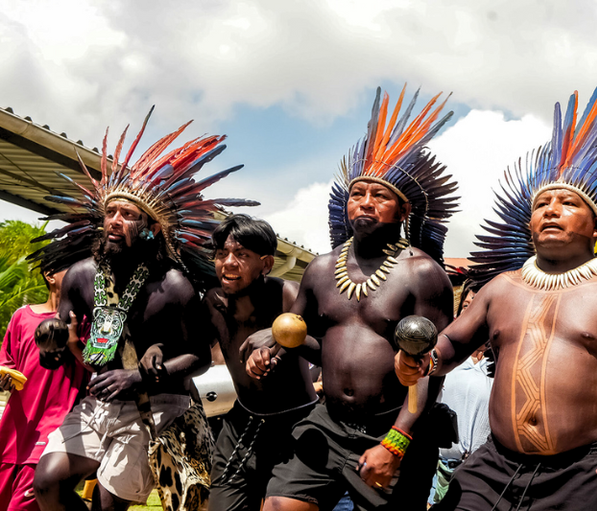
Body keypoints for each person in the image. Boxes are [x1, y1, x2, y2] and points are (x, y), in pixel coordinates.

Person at [396, 82, 597, 511]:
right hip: (495, 466)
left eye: (567, 203)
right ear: (530, 225)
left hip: (589, 470)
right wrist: (421, 361)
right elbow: (452, 344)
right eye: (543, 205)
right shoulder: (501, 288)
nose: (552, 210)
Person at [28, 110, 255, 511]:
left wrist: (137, 377)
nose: (115, 221)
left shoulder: (173, 285)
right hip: (97, 403)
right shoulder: (81, 275)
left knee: (108, 505)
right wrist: (52, 345)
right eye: (111, 212)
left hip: (157, 406)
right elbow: (62, 333)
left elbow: (199, 357)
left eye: (128, 215)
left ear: (150, 226)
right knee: (47, 483)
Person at [255, 85, 459, 511]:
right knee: (278, 504)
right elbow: (307, 338)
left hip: (392, 427)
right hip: (326, 422)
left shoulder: (421, 273)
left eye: (379, 195)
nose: (364, 203)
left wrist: (398, 440)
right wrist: (271, 347)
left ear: (403, 212)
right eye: (357, 194)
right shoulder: (320, 268)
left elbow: (430, 368)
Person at [203, 214, 317, 511]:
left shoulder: (288, 295)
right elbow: (194, 352)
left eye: (241, 255)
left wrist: (283, 334)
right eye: (221, 254)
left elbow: (326, 350)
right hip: (240, 423)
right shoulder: (212, 302)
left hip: (296, 425)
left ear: (266, 264)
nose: (228, 262)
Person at [0, 266, 89, 511]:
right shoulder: (21, 316)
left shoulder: (83, 322)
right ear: (50, 275)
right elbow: (6, 361)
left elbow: (97, 368)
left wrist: (74, 344)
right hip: (15, 432)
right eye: (71, 270)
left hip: (54, 429)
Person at [429, 280, 493, 507]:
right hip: (436, 469)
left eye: (479, 306)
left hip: (479, 475)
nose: (472, 313)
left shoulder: (499, 363)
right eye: (467, 306)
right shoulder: (444, 358)